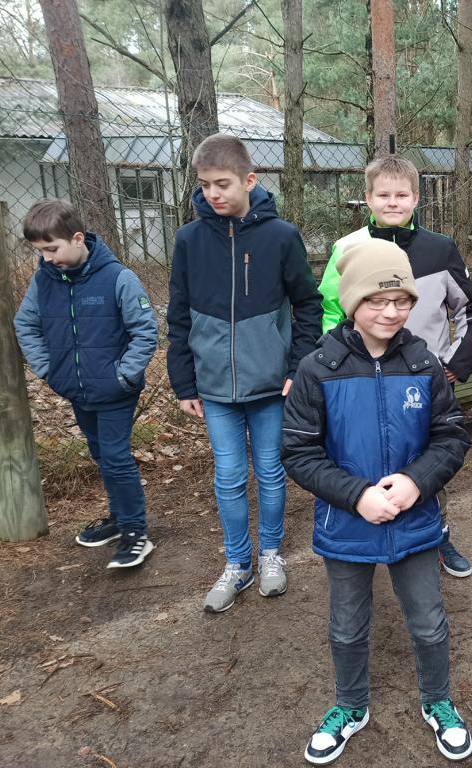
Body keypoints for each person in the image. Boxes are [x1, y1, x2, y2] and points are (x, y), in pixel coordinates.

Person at [283, 239, 472, 764]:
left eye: (402, 300)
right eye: (376, 300)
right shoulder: (317, 369)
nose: (391, 312)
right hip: (347, 524)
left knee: (429, 621)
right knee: (347, 625)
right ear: (351, 301)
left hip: (415, 521)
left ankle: (438, 699)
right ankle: (350, 705)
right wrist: (356, 495)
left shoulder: (424, 363)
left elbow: (451, 437)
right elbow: (298, 452)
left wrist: (416, 481)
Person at [166, 133, 322, 613]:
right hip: (213, 388)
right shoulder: (189, 240)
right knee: (229, 475)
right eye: (205, 185)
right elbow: (178, 314)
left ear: (249, 180)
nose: (213, 194)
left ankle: (270, 553)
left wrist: (297, 365)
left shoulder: (281, 236)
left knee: (271, 471)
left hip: (270, 385)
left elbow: (308, 305)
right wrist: (183, 382)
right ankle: (237, 563)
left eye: (223, 184)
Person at [317, 155, 472, 580]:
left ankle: (437, 534)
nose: (392, 202)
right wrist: (334, 367)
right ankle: (362, 544)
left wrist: (455, 363)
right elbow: (331, 311)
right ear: (368, 198)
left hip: (424, 383)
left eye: (401, 195)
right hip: (359, 381)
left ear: (416, 198)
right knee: (360, 461)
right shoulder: (347, 248)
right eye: (383, 195)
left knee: (429, 462)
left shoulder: (439, 249)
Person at [14, 199, 158, 569]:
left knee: (115, 457)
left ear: (78, 239)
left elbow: (145, 332)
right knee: (101, 455)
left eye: (52, 249)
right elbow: (25, 324)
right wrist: (49, 370)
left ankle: (135, 532)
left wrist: (123, 375)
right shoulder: (44, 282)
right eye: (40, 251)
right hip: (77, 390)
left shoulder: (118, 278)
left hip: (115, 391)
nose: (46, 258)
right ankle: (118, 518)